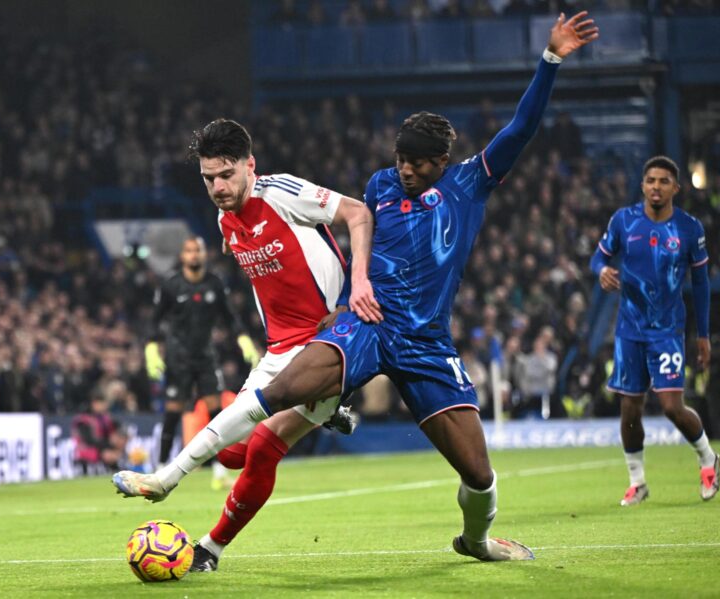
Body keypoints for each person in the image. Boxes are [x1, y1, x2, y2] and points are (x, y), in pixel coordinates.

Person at [114, 13, 598, 565]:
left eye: (419, 164)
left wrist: (551, 60)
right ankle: (176, 480)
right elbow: (352, 236)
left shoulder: (469, 183)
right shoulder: (381, 185)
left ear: (443, 161)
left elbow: (520, 130)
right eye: (400, 160)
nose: (406, 171)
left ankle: (478, 541)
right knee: (267, 408)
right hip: (366, 325)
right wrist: (349, 298)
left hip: (426, 343)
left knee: (481, 478)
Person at [116, 118, 380, 571]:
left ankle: (186, 511)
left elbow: (358, 213)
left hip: (328, 342)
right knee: (229, 452)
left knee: (260, 450)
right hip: (278, 351)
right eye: (208, 179)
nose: (218, 187)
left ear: (249, 166)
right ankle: (326, 410)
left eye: (226, 175)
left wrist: (352, 291)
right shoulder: (225, 219)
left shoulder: (281, 192)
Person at [589, 155, 720, 506]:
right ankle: (638, 482)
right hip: (629, 328)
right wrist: (601, 270)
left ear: (675, 187)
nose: (656, 187)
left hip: (667, 330)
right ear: (643, 185)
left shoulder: (689, 228)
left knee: (671, 407)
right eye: (651, 181)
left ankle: (708, 458)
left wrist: (703, 335)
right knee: (629, 410)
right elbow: (597, 258)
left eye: (664, 181)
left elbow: (702, 284)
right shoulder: (624, 221)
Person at [146, 235, 259, 486]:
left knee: (215, 411)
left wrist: (243, 338)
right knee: (173, 412)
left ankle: (219, 471)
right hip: (178, 358)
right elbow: (155, 319)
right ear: (182, 256)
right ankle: (161, 467)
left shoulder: (214, 284)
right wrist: (152, 347)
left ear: (203, 254)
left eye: (197, 250)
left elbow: (229, 316)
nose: (193, 255)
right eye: (189, 251)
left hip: (206, 356)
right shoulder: (171, 285)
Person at [72, 392, 127, 474]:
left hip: (103, 449)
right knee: (108, 455)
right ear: (94, 404)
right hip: (87, 452)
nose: (104, 406)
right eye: (102, 404)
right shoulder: (83, 420)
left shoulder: (105, 418)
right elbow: (89, 440)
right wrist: (105, 449)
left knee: (115, 452)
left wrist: (117, 440)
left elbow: (119, 428)